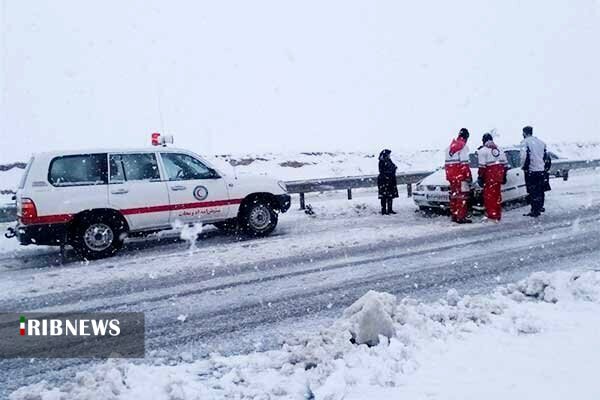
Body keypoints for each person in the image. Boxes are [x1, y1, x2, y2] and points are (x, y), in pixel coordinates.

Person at [477, 133, 508, 221]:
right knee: (497, 196)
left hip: (489, 177)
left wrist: (480, 177)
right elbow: (505, 165)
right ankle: (498, 214)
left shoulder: (483, 151)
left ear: (483, 141)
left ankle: (492, 215)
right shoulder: (500, 149)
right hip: (499, 176)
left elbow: (482, 167)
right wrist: (504, 175)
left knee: (489, 197)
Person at [520, 126, 550, 217]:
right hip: (541, 170)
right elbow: (546, 156)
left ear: (524, 133)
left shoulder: (525, 143)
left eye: (523, 133)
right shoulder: (541, 143)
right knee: (540, 190)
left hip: (531, 170)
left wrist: (523, 167)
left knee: (533, 190)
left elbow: (523, 156)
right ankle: (540, 206)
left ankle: (535, 210)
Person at [445, 128, 473, 223]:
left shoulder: (449, 147)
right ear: (466, 137)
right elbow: (464, 164)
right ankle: (461, 217)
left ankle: (454, 215)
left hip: (451, 176)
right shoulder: (463, 147)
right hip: (460, 177)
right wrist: (468, 176)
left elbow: (447, 164)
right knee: (462, 197)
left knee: (454, 196)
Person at [377, 149, 399, 215]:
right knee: (384, 196)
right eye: (388, 154)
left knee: (390, 196)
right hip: (384, 181)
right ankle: (383, 210)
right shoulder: (382, 161)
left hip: (390, 180)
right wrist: (389, 173)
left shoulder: (388, 160)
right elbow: (382, 171)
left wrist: (392, 170)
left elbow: (394, 167)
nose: (389, 156)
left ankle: (390, 209)